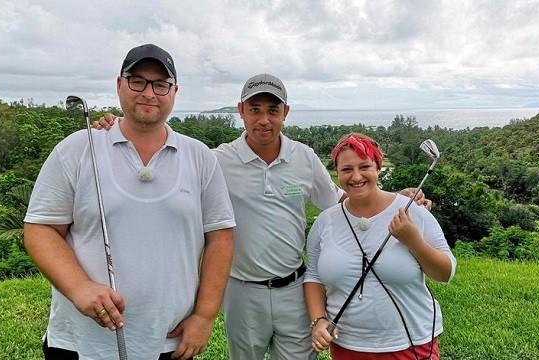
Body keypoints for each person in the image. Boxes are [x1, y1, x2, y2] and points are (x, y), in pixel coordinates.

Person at [95, 74, 429, 359]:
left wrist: (391, 199)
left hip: (295, 288)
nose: (264, 119)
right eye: (254, 109)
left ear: (286, 112)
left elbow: (339, 201)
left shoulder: (304, 157)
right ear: (241, 112)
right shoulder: (217, 160)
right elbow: (162, 167)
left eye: (273, 110)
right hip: (241, 291)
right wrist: (120, 127)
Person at [24, 43, 235, 360]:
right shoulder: (78, 149)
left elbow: (220, 237)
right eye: (137, 81)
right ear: (119, 84)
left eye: (160, 84)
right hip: (81, 344)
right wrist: (79, 287)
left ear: (174, 91)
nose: (149, 93)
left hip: (168, 342)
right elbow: (40, 228)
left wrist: (205, 316)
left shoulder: (200, 157)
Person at [304, 133, 456, 360]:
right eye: (346, 169)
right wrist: (318, 320)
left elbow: (445, 273)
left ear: (378, 168)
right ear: (337, 173)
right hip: (347, 345)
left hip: (410, 343)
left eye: (365, 166)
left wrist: (413, 240)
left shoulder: (412, 212)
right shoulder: (325, 222)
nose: (356, 176)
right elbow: (314, 277)